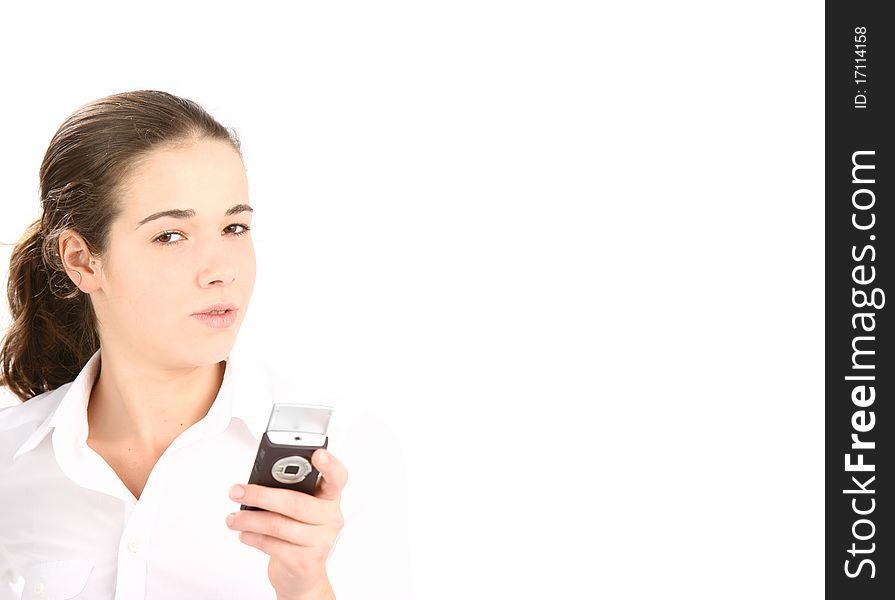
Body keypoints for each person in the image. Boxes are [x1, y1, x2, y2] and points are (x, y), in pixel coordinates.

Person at [0, 90, 408, 599]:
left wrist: (305, 584)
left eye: (234, 227)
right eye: (171, 236)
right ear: (82, 260)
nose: (222, 270)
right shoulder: (10, 461)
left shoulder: (344, 449)